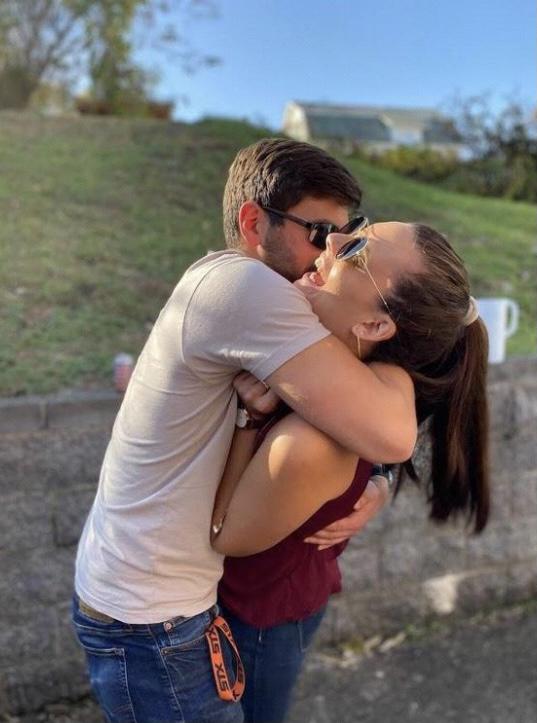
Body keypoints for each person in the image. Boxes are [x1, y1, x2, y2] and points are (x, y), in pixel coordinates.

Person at [72, 139, 417, 723]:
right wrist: (389, 457)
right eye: (319, 232)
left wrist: (381, 478)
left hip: (152, 600)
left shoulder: (233, 284)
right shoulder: (251, 290)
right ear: (254, 223)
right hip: (153, 618)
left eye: (346, 233)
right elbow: (393, 434)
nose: (330, 251)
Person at [212, 221, 490, 723]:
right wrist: (382, 477)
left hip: (258, 620)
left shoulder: (314, 441)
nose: (333, 240)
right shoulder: (380, 377)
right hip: (273, 601)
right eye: (356, 227)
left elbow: (224, 535)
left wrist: (248, 421)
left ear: (375, 327)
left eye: (356, 249)